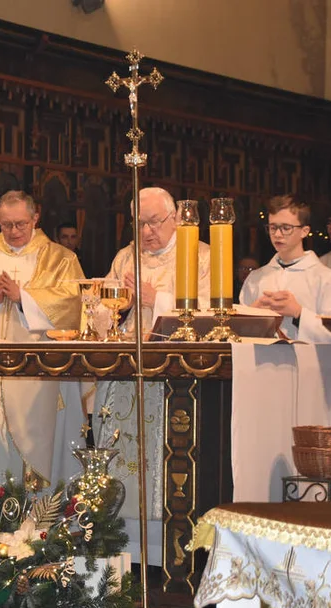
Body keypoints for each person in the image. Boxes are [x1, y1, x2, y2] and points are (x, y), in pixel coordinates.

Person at [93, 187, 210, 531]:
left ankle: (166, 533)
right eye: (139, 224)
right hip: (125, 373)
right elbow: (99, 317)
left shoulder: (200, 256)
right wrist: (120, 306)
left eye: (154, 222)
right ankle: (114, 529)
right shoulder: (125, 258)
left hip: (173, 377)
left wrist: (157, 299)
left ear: (174, 219)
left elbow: (210, 315)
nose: (146, 232)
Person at [0, 191, 83, 485]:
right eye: (6, 225)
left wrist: (24, 298)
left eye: (21, 224)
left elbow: (72, 304)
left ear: (35, 218)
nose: (14, 232)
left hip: (41, 379)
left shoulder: (60, 258)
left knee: (41, 446)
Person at [239, 195, 331, 343]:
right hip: (262, 363)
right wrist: (252, 314)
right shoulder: (256, 278)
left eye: (286, 228)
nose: (277, 234)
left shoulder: (324, 277)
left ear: (304, 231)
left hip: (305, 364)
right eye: (273, 227)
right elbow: (238, 336)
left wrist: (299, 313)